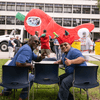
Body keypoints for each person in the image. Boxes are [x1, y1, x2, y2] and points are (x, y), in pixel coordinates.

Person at [0, 36, 47, 100]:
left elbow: (36, 59)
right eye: (35, 41)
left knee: (17, 75)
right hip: (16, 76)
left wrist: (41, 57)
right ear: (29, 41)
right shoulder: (26, 49)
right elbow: (19, 63)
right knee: (32, 76)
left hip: (8, 77)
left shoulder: (28, 49)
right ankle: (23, 97)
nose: (37, 43)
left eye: (38, 42)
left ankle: (5, 92)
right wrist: (30, 65)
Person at [53, 33, 87, 100]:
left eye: (65, 44)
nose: (63, 46)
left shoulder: (74, 51)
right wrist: (58, 62)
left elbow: (82, 59)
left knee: (65, 82)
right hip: (71, 73)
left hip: (79, 73)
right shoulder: (64, 54)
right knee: (58, 79)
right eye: (61, 45)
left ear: (70, 45)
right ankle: (70, 97)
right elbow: (63, 60)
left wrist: (71, 62)